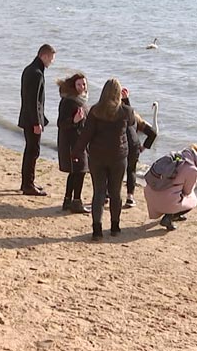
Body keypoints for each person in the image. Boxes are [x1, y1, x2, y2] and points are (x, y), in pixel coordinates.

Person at [73, 78, 136, 240]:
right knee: (115, 193)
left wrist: (77, 152)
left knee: (99, 192)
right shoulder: (124, 111)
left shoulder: (95, 110)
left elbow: (86, 134)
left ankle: (97, 229)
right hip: (118, 157)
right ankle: (115, 226)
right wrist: (126, 99)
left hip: (97, 157)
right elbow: (133, 121)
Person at [18, 44, 54, 196]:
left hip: (27, 117)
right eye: (51, 58)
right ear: (44, 56)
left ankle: (27, 182)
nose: (52, 62)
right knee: (33, 151)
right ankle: (28, 185)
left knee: (30, 150)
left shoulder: (30, 69)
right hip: (32, 119)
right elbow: (34, 101)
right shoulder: (37, 73)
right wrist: (36, 123)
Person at [144, 144, 197, 231]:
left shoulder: (172, 158)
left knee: (172, 191)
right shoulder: (192, 169)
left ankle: (173, 214)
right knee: (193, 200)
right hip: (165, 202)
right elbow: (187, 192)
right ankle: (169, 217)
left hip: (150, 195)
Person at [57, 73, 90, 214]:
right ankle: (76, 201)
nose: (82, 87)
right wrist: (74, 121)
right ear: (73, 85)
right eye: (79, 84)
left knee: (75, 172)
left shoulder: (80, 100)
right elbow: (60, 123)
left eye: (84, 84)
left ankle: (67, 200)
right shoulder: (68, 101)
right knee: (80, 171)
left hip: (79, 141)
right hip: (72, 143)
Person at [120, 87, 158, 208]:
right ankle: (130, 197)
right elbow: (153, 133)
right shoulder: (136, 118)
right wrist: (143, 147)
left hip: (119, 147)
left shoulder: (117, 115)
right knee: (131, 170)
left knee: (115, 172)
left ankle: (107, 195)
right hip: (134, 147)